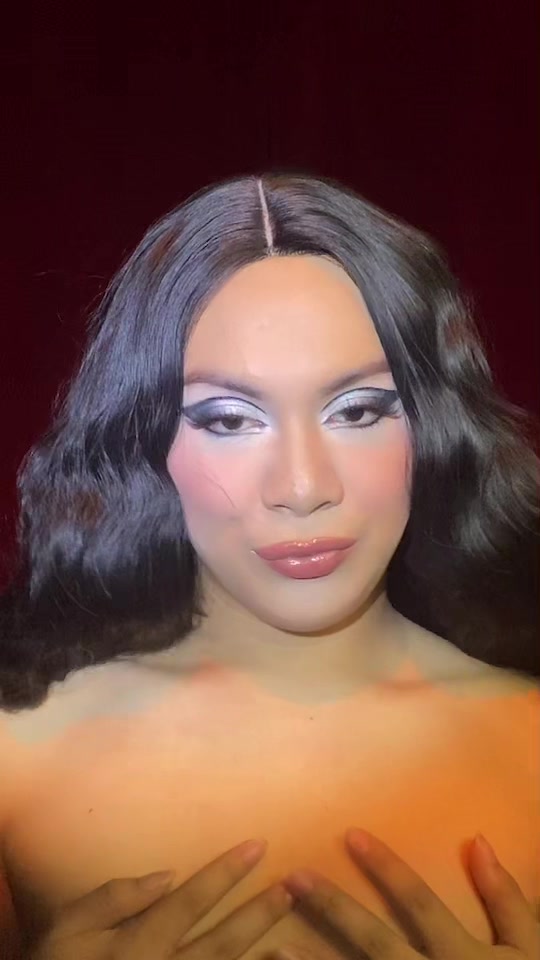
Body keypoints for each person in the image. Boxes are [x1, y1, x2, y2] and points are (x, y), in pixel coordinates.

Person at [0, 172, 538, 959]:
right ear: (144, 439)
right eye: (228, 420)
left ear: (432, 425)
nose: (303, 487)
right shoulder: (15, 757)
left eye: (357, 410)